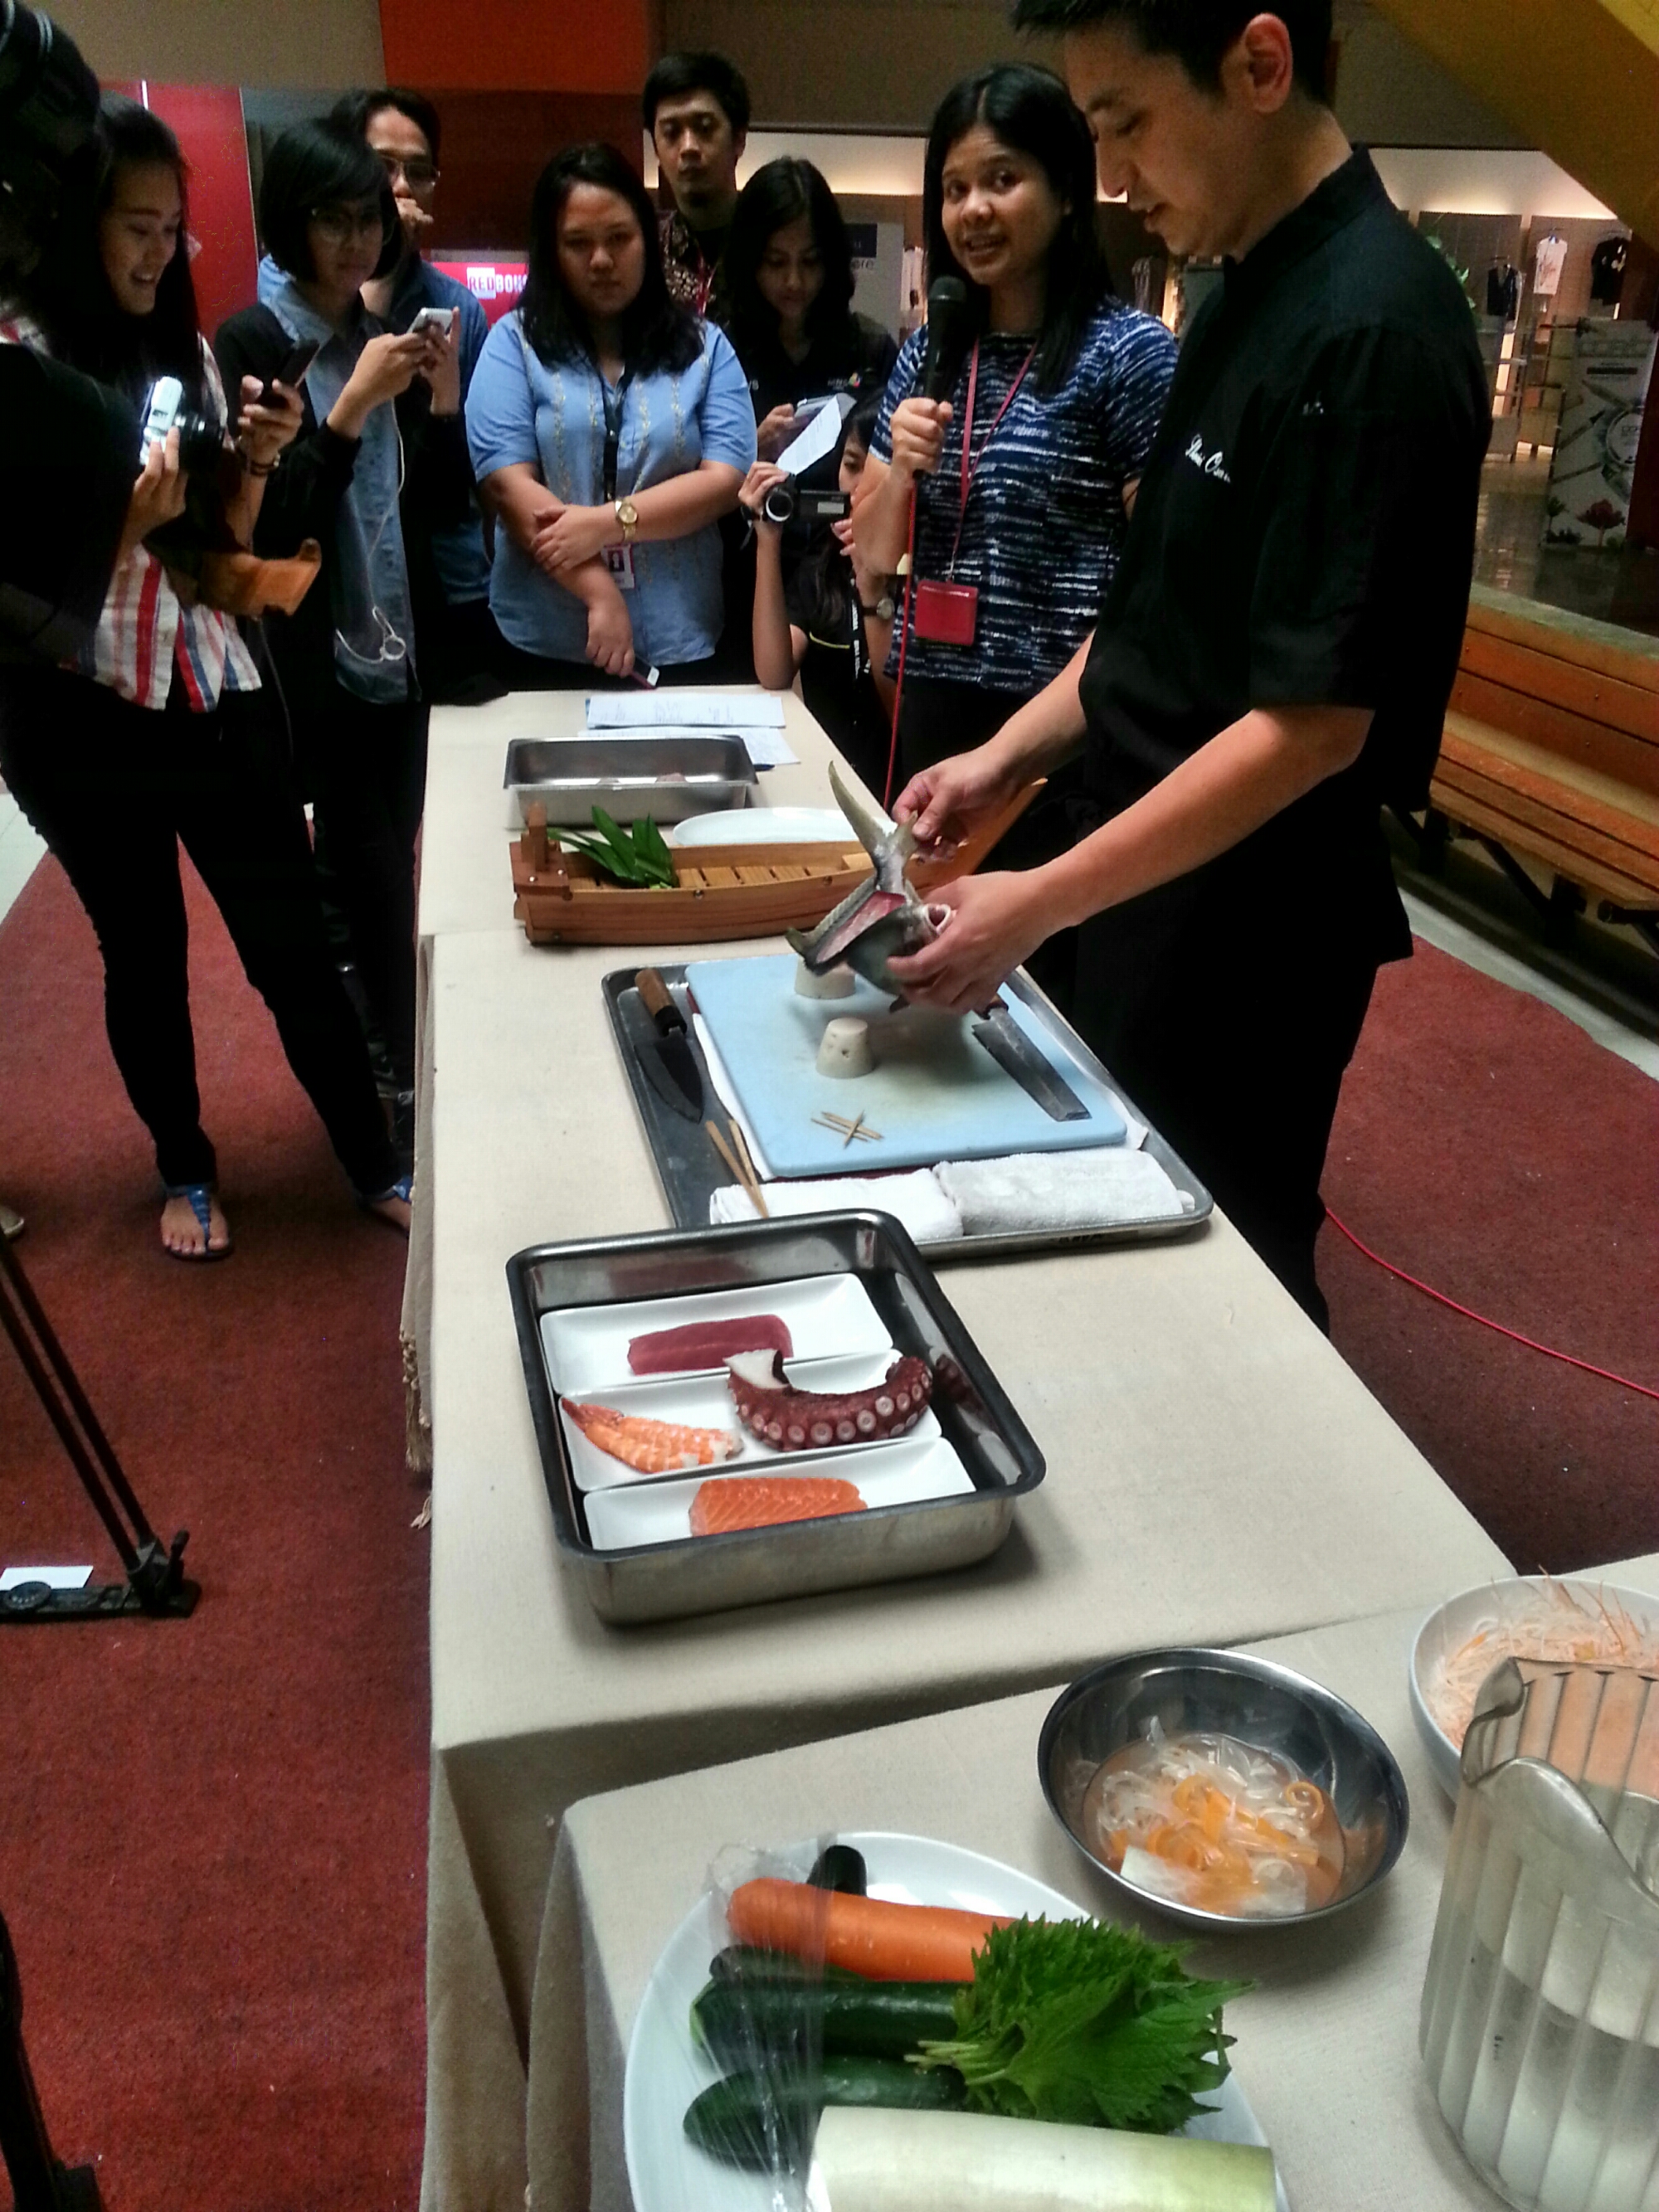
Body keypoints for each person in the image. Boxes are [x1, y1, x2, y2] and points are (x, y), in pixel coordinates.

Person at [884, 0, 1491, 1331]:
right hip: (1146, 873)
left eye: (1126, 126)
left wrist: (1037, 898)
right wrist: (1003, 758)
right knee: (1122, 1218)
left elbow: (1313, 724)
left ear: (1258, 64)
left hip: (1255, 919)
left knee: (1232, 1271)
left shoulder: (1375, 326)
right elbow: (1153, 618)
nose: (1112, 178)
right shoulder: (1234, 297)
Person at [0, 98, 411, 1257]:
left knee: (292, 944)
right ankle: (184, 1170)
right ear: (73, 226)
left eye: (170, 230)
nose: (156, 253)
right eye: (133, 227)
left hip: (211, 689)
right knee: (144, 953)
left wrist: (258, 462)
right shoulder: (21, 363)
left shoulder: (181, 352)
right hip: (78, 710)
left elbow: (228, 543)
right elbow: (23, 582)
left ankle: (374, 1158)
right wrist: (122, 521)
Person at [216, 118, 459, 1141]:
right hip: (314, 665)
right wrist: (349, 410)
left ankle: (390, 1058)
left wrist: (439, 402)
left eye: (369, 218)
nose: (357, 239)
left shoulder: (378, 336)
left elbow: (427, 507)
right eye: (333, 218)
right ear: (290, 222)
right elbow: (271, 529)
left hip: (398, 653)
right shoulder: (252, 343)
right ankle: (405, 1091)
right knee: (373, 880)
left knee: (387, 866)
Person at [851, 66, 1176, 813]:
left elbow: (1159, 580)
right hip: (933, 703)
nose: (974, 210)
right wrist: (899, 472)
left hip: (1064, 727)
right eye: (955, 188)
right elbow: (870, 563)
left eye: (1002, 179)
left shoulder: (1127, 354)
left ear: (1066, 192)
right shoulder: (929, 351)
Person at [464, 142, 755, 687]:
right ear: (551, 251)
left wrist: (607, 523)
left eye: (619, 238)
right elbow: (506, 486)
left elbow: (724, 479)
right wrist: (598, 590)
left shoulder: (705, 346)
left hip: (681, 630)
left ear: (648, 238)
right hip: (544, 635)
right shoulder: (512, 343)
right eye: (578, 243)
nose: (601, 260)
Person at [328, 85, 499, 702]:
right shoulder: (291, 287)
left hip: (446, 580)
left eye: (418, 172)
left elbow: (467, 476)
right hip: (345, 575)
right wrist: (379, 253)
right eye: (382, 167)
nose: (401, 186)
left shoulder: (458, 307)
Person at [740, 391, 897, 793]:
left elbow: (902, 714)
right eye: (851, 465)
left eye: (879, 470)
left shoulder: (928, 571)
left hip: (899, 787)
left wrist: (873, 586)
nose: (859, 487)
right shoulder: (823, 566)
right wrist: (768, 541)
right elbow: (773, 673)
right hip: (826, 783)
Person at [726, 157, 898, 465]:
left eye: (810, 261)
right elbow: (701, 472)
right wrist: (751, 450)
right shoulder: (724, 352)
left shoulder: (871, 349)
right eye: (776, 262)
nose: (794, 281)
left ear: (830, 261)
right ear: (750, 263)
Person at [644, 49, 749, 323]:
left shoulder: (774, 248)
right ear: (655, 148)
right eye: (671, 133)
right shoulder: (643, 255)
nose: (688, 147)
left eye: (704, 128)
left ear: (739, 139)